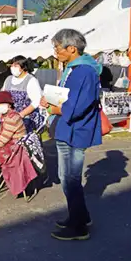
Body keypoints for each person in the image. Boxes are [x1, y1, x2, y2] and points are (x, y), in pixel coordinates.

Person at [41, 29, 102, 241]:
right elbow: (67, 98)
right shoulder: (75, 69)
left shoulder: (82, 71)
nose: (55, 51)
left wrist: (50, 108)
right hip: (69, 130)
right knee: (70, 178)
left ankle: (79, 228)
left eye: (57, 48)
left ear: (71, 48)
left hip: (74, 131)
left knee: (70, 180)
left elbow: (73, 108)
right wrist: (50, 100)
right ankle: (80, 216)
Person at [2, 55, 44, 133]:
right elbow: (2, 96)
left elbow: (36, 101)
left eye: (15, 65)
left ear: (23, 67)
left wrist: (21, 114)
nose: (12, 67)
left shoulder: (31, 80)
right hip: (9, 118)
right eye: (12, 65)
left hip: (25, 119)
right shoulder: (8, 79)